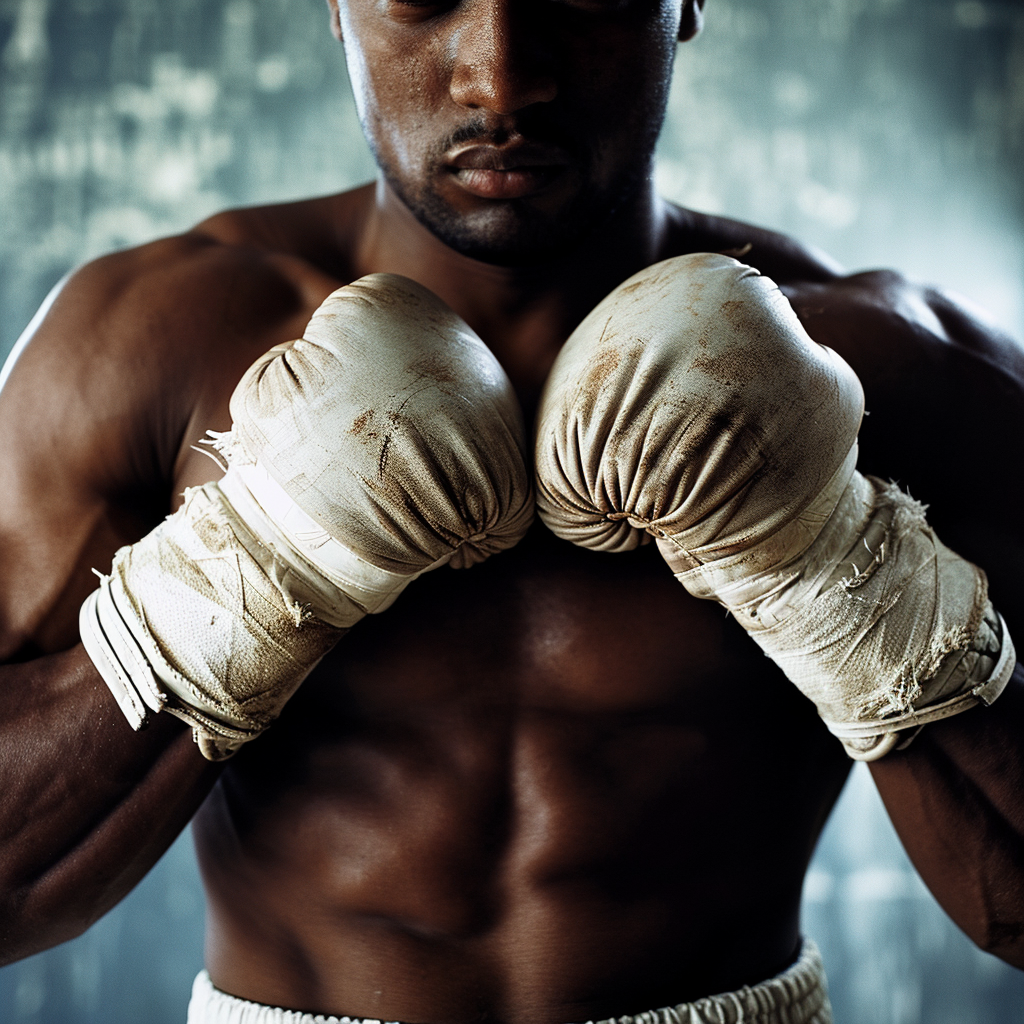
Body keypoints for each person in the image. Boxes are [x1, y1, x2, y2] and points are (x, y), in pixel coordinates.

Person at [0, 0, 1022, 1021]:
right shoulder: (152, 349)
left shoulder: (887, 371)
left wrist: (841, 561)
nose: (501, 77)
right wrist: (249, 562)